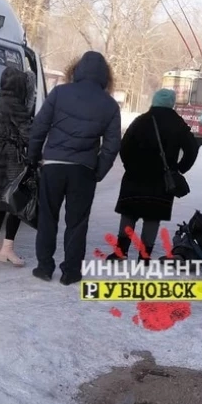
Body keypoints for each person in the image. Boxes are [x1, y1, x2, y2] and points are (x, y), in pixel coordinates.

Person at [27, 51, 121, 285]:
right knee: (77, 223)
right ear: (105, 76)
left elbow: (39, 127)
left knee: (48, 217)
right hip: (84, 170)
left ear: (77, 69)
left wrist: (33, 157)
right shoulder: (109, 105)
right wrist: (98, 170)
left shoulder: (59, 93)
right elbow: (111, 146)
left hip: (53, 166)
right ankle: (71, 271)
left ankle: (45, 266)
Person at [107, 89, 199, 263]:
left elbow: (125, 146)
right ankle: (144, 255)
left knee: (129, 213)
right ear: (171, 103)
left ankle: (120, 252)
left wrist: (130, 166)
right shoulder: (178, 124)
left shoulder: (141, 120)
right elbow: (192, 149)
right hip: (162, 179)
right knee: (152, 216)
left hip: (135, 176)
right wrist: (179, 169)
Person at [0, 67, 34, 267]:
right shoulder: (16, 105)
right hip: (13, 157)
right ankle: (7, 249)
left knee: (0, 203)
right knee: (15, 203)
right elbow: (27, 133)